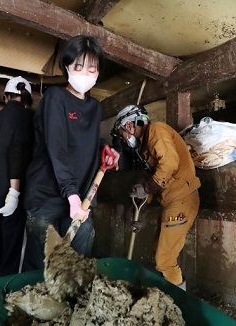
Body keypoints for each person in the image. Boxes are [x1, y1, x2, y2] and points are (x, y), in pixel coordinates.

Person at [22, 35, 119, 271]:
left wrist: (103, 149)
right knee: (43, 268)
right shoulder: (55, 98)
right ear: (67, 67)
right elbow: (57, 147)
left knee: (78, 266)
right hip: (47, 197)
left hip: (80, 201)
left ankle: (69, 307)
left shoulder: (95, 107)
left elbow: (85, 143)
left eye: (91, 69)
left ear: (98, 72)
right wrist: (71, 195)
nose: (85, 74)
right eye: (78, 67)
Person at [112, 105, 201, 290]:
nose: (122, 138)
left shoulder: (156, 130)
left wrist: (146, 188)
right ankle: (171, 291)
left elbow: (169, 164)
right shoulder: (145, 147)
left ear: (129, 125)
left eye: (121, 133)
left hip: (182, 199)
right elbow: (152, 180)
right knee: (158, 251)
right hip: (171, 201)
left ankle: (181, 302)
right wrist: (141, 214)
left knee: (164, 260)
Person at [0, 76, 34, 277]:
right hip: (9, 195)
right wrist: (14, 191)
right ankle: (7, 303)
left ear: (5, 97)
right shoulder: (26, 118)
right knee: (13, 259)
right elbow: (17, 151)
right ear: (27, 99)